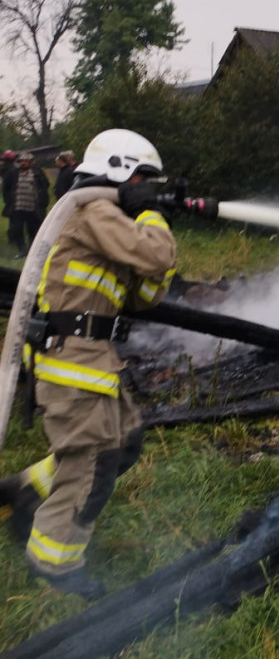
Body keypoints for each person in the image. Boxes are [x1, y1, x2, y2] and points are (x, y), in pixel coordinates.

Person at [0, 129, 177, 600]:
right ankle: (53, 562)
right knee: (96, 463)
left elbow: (143, 295)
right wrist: (152, 216)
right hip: (72, 363)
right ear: (119, 171)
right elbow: (154, 250)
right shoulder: (94, 210)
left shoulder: (113, 224)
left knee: (125, 442)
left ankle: (27, 487)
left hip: (94, 361)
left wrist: (151, 226)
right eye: (142, 178)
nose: (146, 187)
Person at [2, 151, 49, 258]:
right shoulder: (13, 173)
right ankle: (22, 250)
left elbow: (45, 185)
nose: (23, 163)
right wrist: (9, 200)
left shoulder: (37, 172)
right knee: (17, 229)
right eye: (21, 161)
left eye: (25, 161)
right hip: (17, 207)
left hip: (32, 208)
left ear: (30, 162)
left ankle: (32, 250)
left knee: (33, 229)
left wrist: (41, 200)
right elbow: (6, 188)